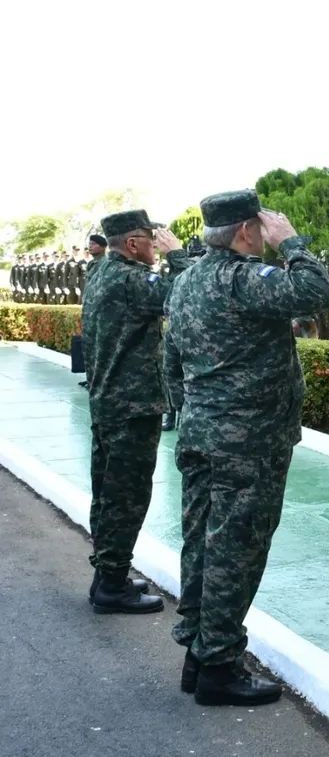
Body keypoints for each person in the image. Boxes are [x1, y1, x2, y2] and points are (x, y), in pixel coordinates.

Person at [165, 190, 329, 706]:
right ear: (244, 231)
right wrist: (294, 242)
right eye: (261, 227)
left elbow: (169, 361)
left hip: (200, 434)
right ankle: (218, 666)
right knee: (236, 551)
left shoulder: (187, 279)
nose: (266, 235)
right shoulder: (244, 279)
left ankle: (199, 649)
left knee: (202, 542)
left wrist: (191, 409)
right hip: (248, 445)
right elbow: (316, 291)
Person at [82, 209, 189, 615]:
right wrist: (177, 256)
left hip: (107, 403)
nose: (154, 244)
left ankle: (107, 574)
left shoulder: (100, 273)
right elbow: (187, 294)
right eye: (150, 238)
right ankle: (111, 584)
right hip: (132, 407)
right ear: (132, 244)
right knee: (126, 497)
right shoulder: (131, 280)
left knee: (107, 494)